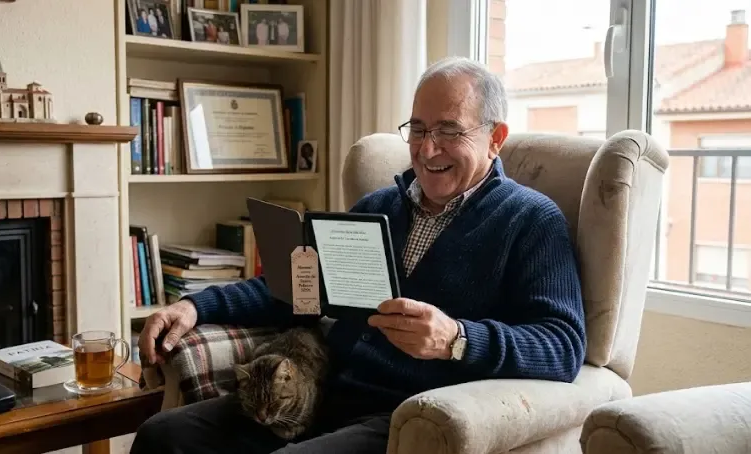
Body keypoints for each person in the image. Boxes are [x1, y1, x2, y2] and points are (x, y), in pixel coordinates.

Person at [130, 56, 586, 454]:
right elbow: (297, 288)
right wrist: (194, 306)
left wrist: (457, 338)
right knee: (163, 437)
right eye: (419, 129)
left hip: (407, 416)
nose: (428, 149)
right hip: (321, 394)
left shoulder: (531, 220)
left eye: (449, 130)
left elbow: (564, 345)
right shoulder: (378, 207)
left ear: (495, 138)